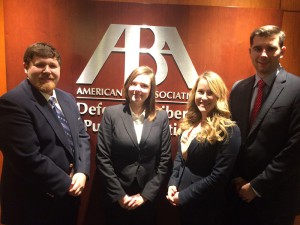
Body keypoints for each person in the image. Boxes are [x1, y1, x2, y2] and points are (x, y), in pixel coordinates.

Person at [0, 42, 91, 225]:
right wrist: (68, 184)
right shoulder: (12, 103)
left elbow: (82, 137)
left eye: (53, 65)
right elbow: (26, 158)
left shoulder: (68, 99)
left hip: (66, 201)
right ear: (26, 67)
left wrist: (82, 172)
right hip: (32, 205)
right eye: (40, 65)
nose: (47, 71)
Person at [229, 25, 300, 225]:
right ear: (250, 51)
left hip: (276, 199)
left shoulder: (297, 89)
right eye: (257, 48)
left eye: (270, 48)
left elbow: (295, 148)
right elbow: (231, 137)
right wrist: (237, 179)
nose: (263, 54)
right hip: (237, 196)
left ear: (282, 51)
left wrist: (257, 186)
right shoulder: (238, 89)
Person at [96, 66, 172, 225]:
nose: (137, 89)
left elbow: (164, 159)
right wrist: (119, 195)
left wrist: (145, 196)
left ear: (151, 90)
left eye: (144, 85)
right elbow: (103, 157)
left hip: (147, 196)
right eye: (134, 83)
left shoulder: (161, 117)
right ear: (127, 86)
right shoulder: (111, 114)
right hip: (116, 195)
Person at [167, 71, 241, 225]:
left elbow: (219, 176)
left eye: (210, 93)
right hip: (184, 204)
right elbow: (180, 158)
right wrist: (172, 184)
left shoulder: (228, 129)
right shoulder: (189, 124)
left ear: (219, 96)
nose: (204, 97)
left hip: (208, 207)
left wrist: (184, 195)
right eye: (200, 92)